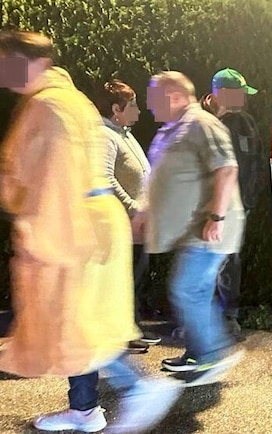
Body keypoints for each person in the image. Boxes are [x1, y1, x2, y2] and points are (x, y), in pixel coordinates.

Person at [0, 29, 181, 433]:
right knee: (81, 322)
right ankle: (85, 408)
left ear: (30, 61)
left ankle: (136, 387)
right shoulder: (63, 100)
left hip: (70, 223)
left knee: (78, 321)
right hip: (85, 219)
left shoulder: (50, 106)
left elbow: (56, 178)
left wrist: (41, 235)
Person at [145, 71, 245, 382]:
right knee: (196, 292)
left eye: (153, 97)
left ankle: (211, 355)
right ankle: (200, 353)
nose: (149, 105)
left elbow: (226, 168)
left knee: (187, 289)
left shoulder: (201, 123)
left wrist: (215, 217)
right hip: (195, 229)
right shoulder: (176, 127)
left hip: (208, 227)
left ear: (173, 95)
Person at [93, 79, 162, 355]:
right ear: (115, 109)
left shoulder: (123, 133)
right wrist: (133, 206)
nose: (138, 110)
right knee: (127, 279)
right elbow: (105, 177)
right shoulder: (105, 136)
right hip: (124, 224)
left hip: (139, 224)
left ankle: (131, 329)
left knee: (136, 277)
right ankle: (123, 335)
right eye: (132, 105)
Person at [209, 68, 263, 340]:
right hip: (223, 206)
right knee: (217, 260)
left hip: (233, 206)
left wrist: (248, 198)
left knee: (226, 260)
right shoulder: (211, 124)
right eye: (239, 93)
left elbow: (253, 164)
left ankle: (226, 317)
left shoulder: (242, 123)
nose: (243, 98)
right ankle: (217, 318)